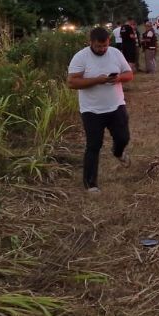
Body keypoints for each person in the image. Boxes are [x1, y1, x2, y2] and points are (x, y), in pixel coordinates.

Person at [67, 27, 134, 193]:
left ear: (108, 42)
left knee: (123, 137)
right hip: (91, 110)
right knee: (93, 145)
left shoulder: (115, 54)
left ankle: (118, 152)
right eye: (98, 46)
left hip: (116, 105)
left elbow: (129, 74)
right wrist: (97, 80)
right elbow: (72, 83)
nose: (102, 49)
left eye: (104, 46)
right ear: (91, 43)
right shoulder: (81, 57)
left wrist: (117, 78)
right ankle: (91, 184)